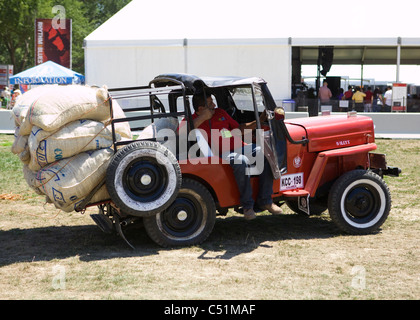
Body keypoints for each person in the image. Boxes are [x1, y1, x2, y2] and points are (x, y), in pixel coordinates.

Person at [180, 92, 282, 220]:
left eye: (213, 101)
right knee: (241, 161)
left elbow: (238, 128)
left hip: (241, 147)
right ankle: (247, 206)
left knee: (265, 153)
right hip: (222, 154)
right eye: (210, 103)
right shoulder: (192, 119)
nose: (214, 105)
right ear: (200, 109)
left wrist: (259, 120)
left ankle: (266, 200)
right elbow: (181, 133)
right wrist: (202, 118)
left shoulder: (220, 113)